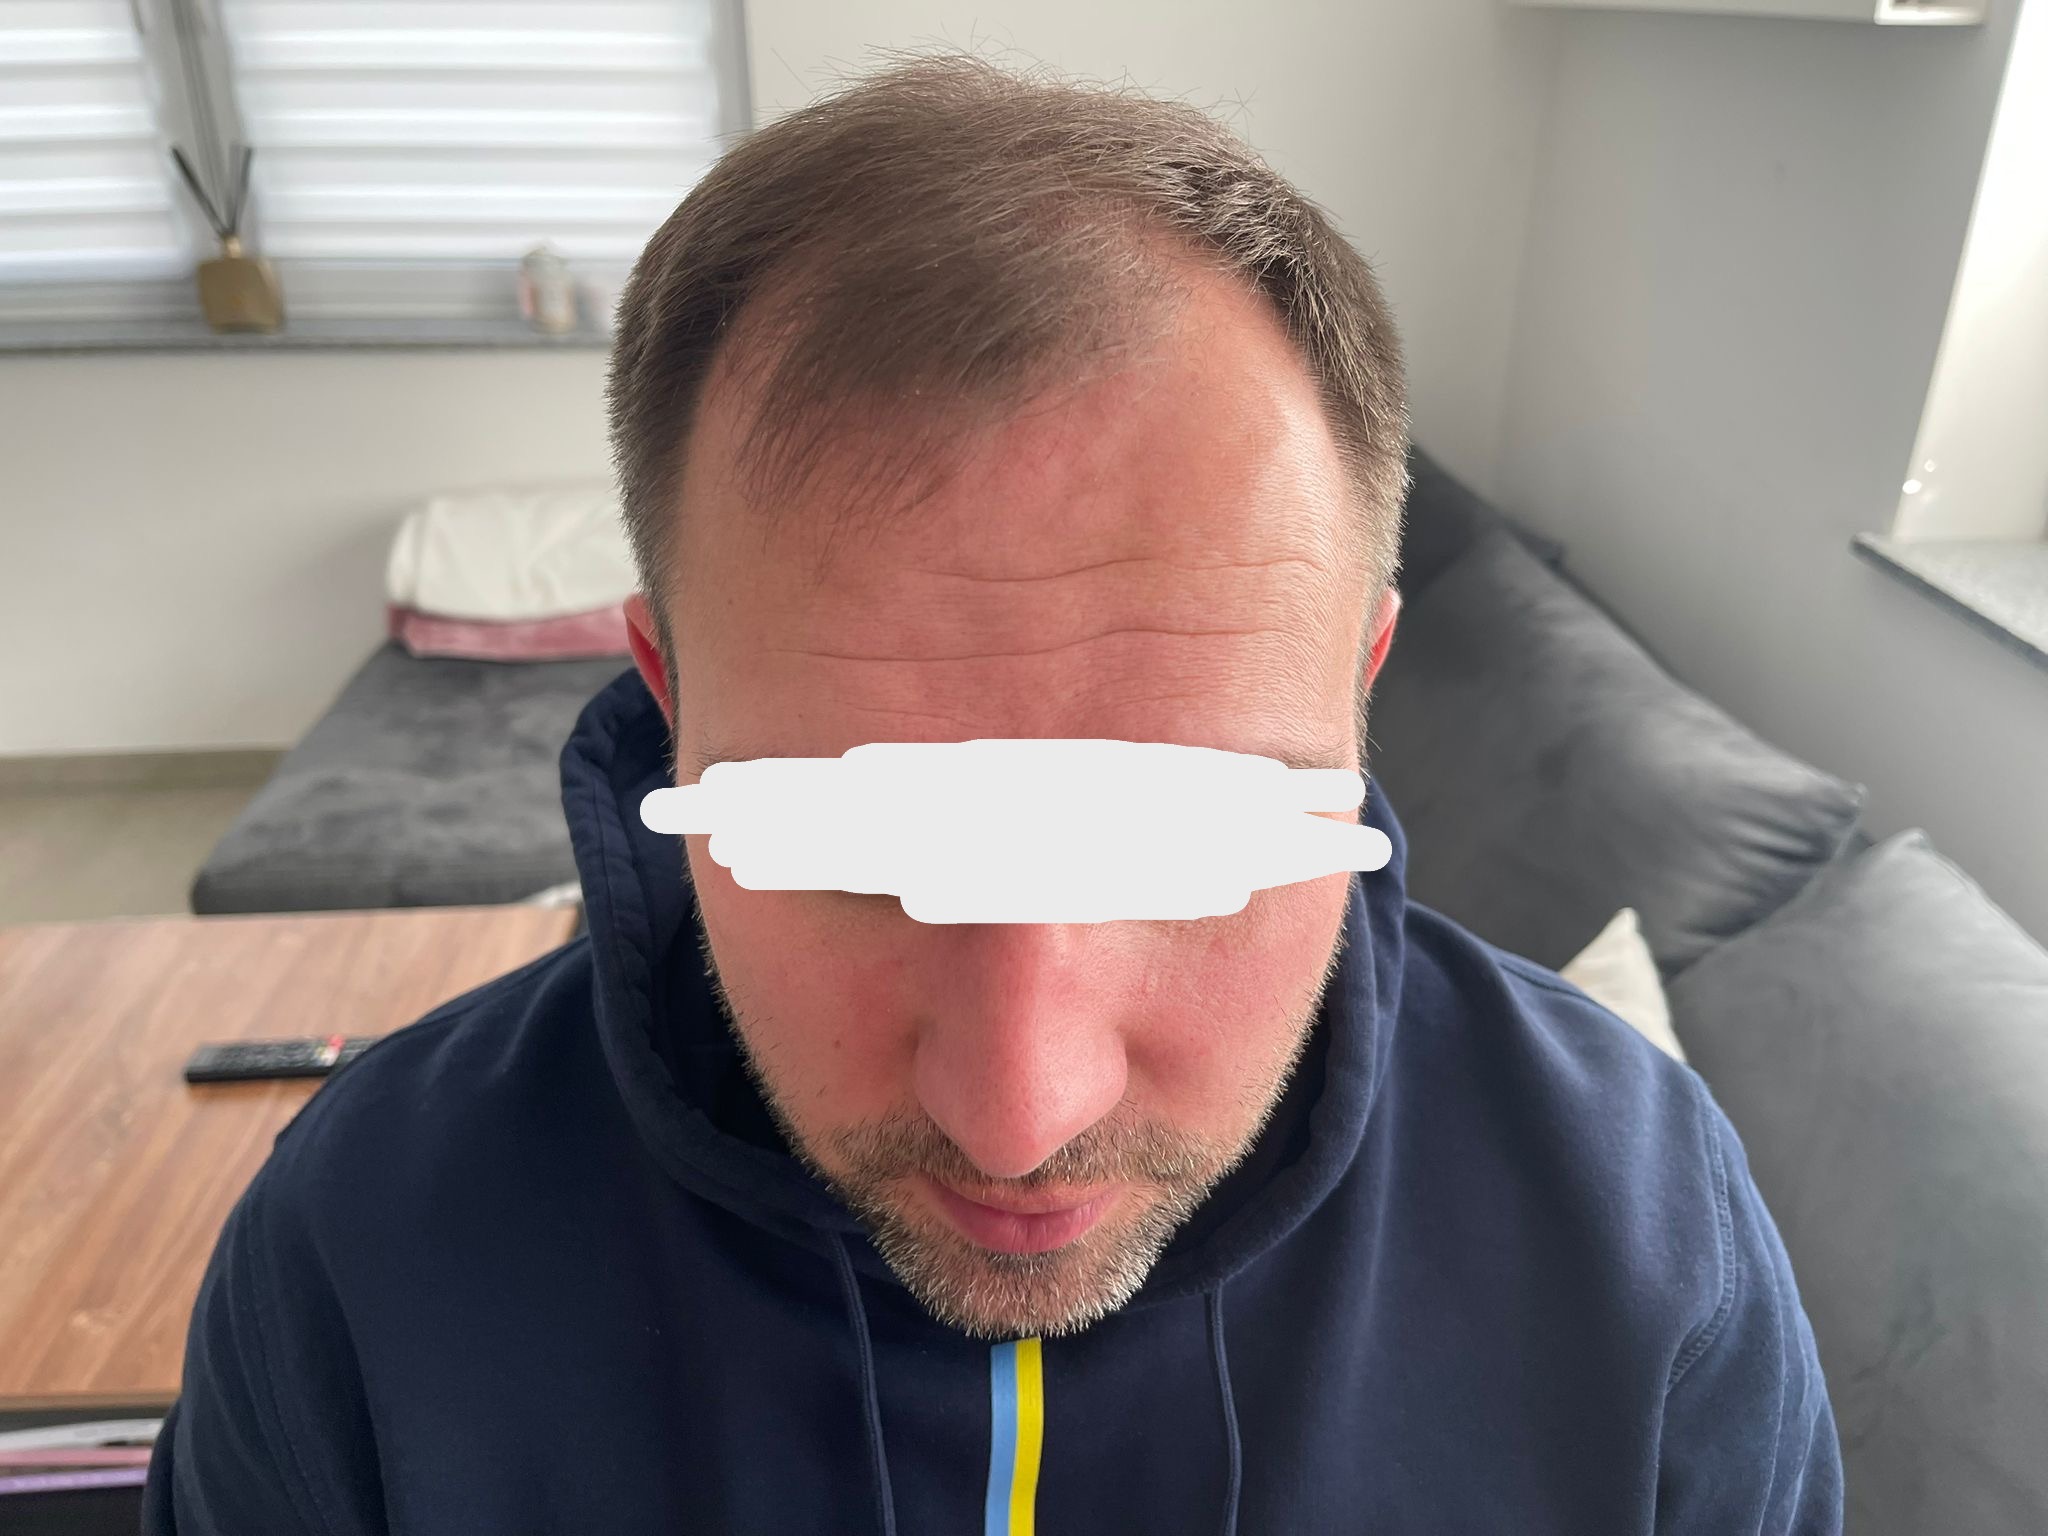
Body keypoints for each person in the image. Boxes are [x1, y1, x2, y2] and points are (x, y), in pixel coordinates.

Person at [145, 52, 1843, 1535]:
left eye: (1186, 837)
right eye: (846, 844)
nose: (1019, 1118)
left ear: (1361, 685)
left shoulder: (1645, 1249)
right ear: (671, 708)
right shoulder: (363, 1257)